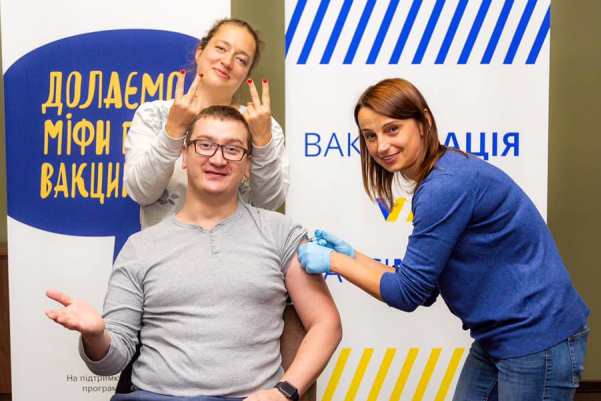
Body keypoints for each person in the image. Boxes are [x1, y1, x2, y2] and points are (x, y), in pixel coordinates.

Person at [297, 78, 589, 401]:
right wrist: (354, 256)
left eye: (392, 129)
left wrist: (335, 262)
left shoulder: (444, 186)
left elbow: (408, 294)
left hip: (536, 338)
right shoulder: (442, 175)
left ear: (424, 122)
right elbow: (424, 288)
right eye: (370, 136)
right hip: (499, 338)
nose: (381, 146)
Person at [46, 105, 342, 401]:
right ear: (184, 156)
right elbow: (111, 362)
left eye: (233, 149)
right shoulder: (140, 247)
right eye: (205, 145)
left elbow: (325, 323)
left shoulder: (282, 233)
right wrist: (96, 335)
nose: (218, 158)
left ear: (248, 165)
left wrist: (284, 391)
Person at [124, 18, 287, 228]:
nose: (227, 62)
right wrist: (172, 132)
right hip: (165, 247)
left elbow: (268, 204)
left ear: (246, 73)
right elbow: (140, 192)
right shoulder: (153, 115)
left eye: (241, 60)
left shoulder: (263, 125)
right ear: (200, 52)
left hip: (240, 246)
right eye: (221, 48)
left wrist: (262, 143)